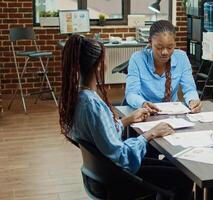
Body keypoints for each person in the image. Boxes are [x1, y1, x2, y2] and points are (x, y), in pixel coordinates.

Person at [59, 35, 193, 200]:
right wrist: (150, 134)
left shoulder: (79, 97)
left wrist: (126, 120)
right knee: (184, 175)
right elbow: (121, 155)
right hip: (119, 177)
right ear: (99, 66)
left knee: (173, 164)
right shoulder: (92, 105)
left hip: (104, 174)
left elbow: (102, 134)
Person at [125, 20, 202, 113]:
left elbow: (190, 89)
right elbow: (131, 94)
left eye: (170, 47)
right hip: (145, 113)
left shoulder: (181, 58)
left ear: (175, 44)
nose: (165, 52)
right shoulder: (138, 59)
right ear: (150, 42)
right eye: (159, 47)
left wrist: (192, 100)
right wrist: (143, 103)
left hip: (173, 114)